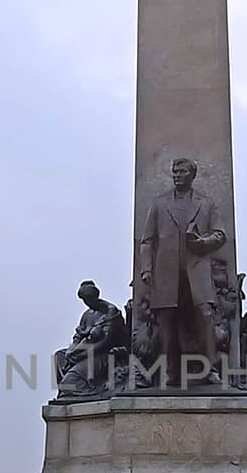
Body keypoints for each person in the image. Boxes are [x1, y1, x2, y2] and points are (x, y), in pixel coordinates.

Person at [138, 158, 226, 387]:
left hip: (197, 269)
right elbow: (147, 240)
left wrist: (202, 242)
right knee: (167, 319)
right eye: (174, 172)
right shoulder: (159, 203)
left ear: (192, 174)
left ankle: (210, 370)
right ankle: (171, 372)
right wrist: (146, 269)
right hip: (166, 272)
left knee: (206, 316)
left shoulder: (206, 203)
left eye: (182, 171)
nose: (177, 175)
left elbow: (220, 234)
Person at [54, 281, 128, 398]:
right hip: (85, 350)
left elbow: (106, 342)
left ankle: (91, 392)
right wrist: (71, 351)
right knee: (60, 356)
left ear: (95, 296)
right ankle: (67, 392)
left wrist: (82, 354)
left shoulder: (110, 312)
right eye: (85, 300)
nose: (88, 303)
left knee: (71, 381)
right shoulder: (87, 314)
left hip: (104, 354)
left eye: (89, 299)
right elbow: (78, 337)